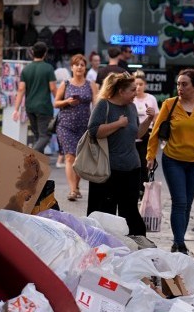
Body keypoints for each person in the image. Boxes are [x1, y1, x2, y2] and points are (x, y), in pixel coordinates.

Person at [146, 68, 194, 254]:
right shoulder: (169, 104)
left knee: (187, 203)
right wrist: (150, 156)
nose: (180, 88)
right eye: (179, 84)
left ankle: (179, 239)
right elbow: (155, 132)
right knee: (179, 202)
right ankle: (179, 243)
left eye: (185, 84)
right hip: (173, 159)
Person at [86, 72, 149, 236]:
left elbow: (136, 134)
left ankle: (134, 246)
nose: (136, 93)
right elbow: (93, 131)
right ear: (121, 91)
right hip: (108, 169)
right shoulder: (104, 105)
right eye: (132, 90)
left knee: (130, 211)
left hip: (132, 168)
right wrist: (118, 124)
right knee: (104, 212)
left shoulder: (132, 107)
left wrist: (149, 120)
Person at [54, 54, 95, 201]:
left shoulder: (91, 84)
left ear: (85, 68)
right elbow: (56, 103)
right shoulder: (66, 84)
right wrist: (67, 102)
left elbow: (96, 104)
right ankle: (72, 190)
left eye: (82, 65)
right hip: (66, 125)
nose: (79, 67)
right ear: (71, 67)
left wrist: (96, 122)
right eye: (76, 65)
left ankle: (76, 186)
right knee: (70, 156)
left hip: (84, 126)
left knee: (80, 160)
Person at [13, 42, 57, 153]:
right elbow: (52, 88)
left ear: (32, 52)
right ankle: (31, 155)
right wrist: (59, 100)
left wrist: (16, 109)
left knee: (37, 135)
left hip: (30, 106)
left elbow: (21, 89)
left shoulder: (26, 69)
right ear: (45, 53)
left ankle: (37, 165)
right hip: (44, 106)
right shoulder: (48, 68)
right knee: (45, 135)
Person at [131, 71, 159, 185]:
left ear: (145, 85)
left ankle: (144, 190)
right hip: (132, 136)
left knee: (145, 164)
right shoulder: (130, 99)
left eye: (141, 84)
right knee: (133, 166)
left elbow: (157, 118)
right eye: (136, 84)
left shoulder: (151, 98)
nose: (138, 87)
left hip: (147, 136)